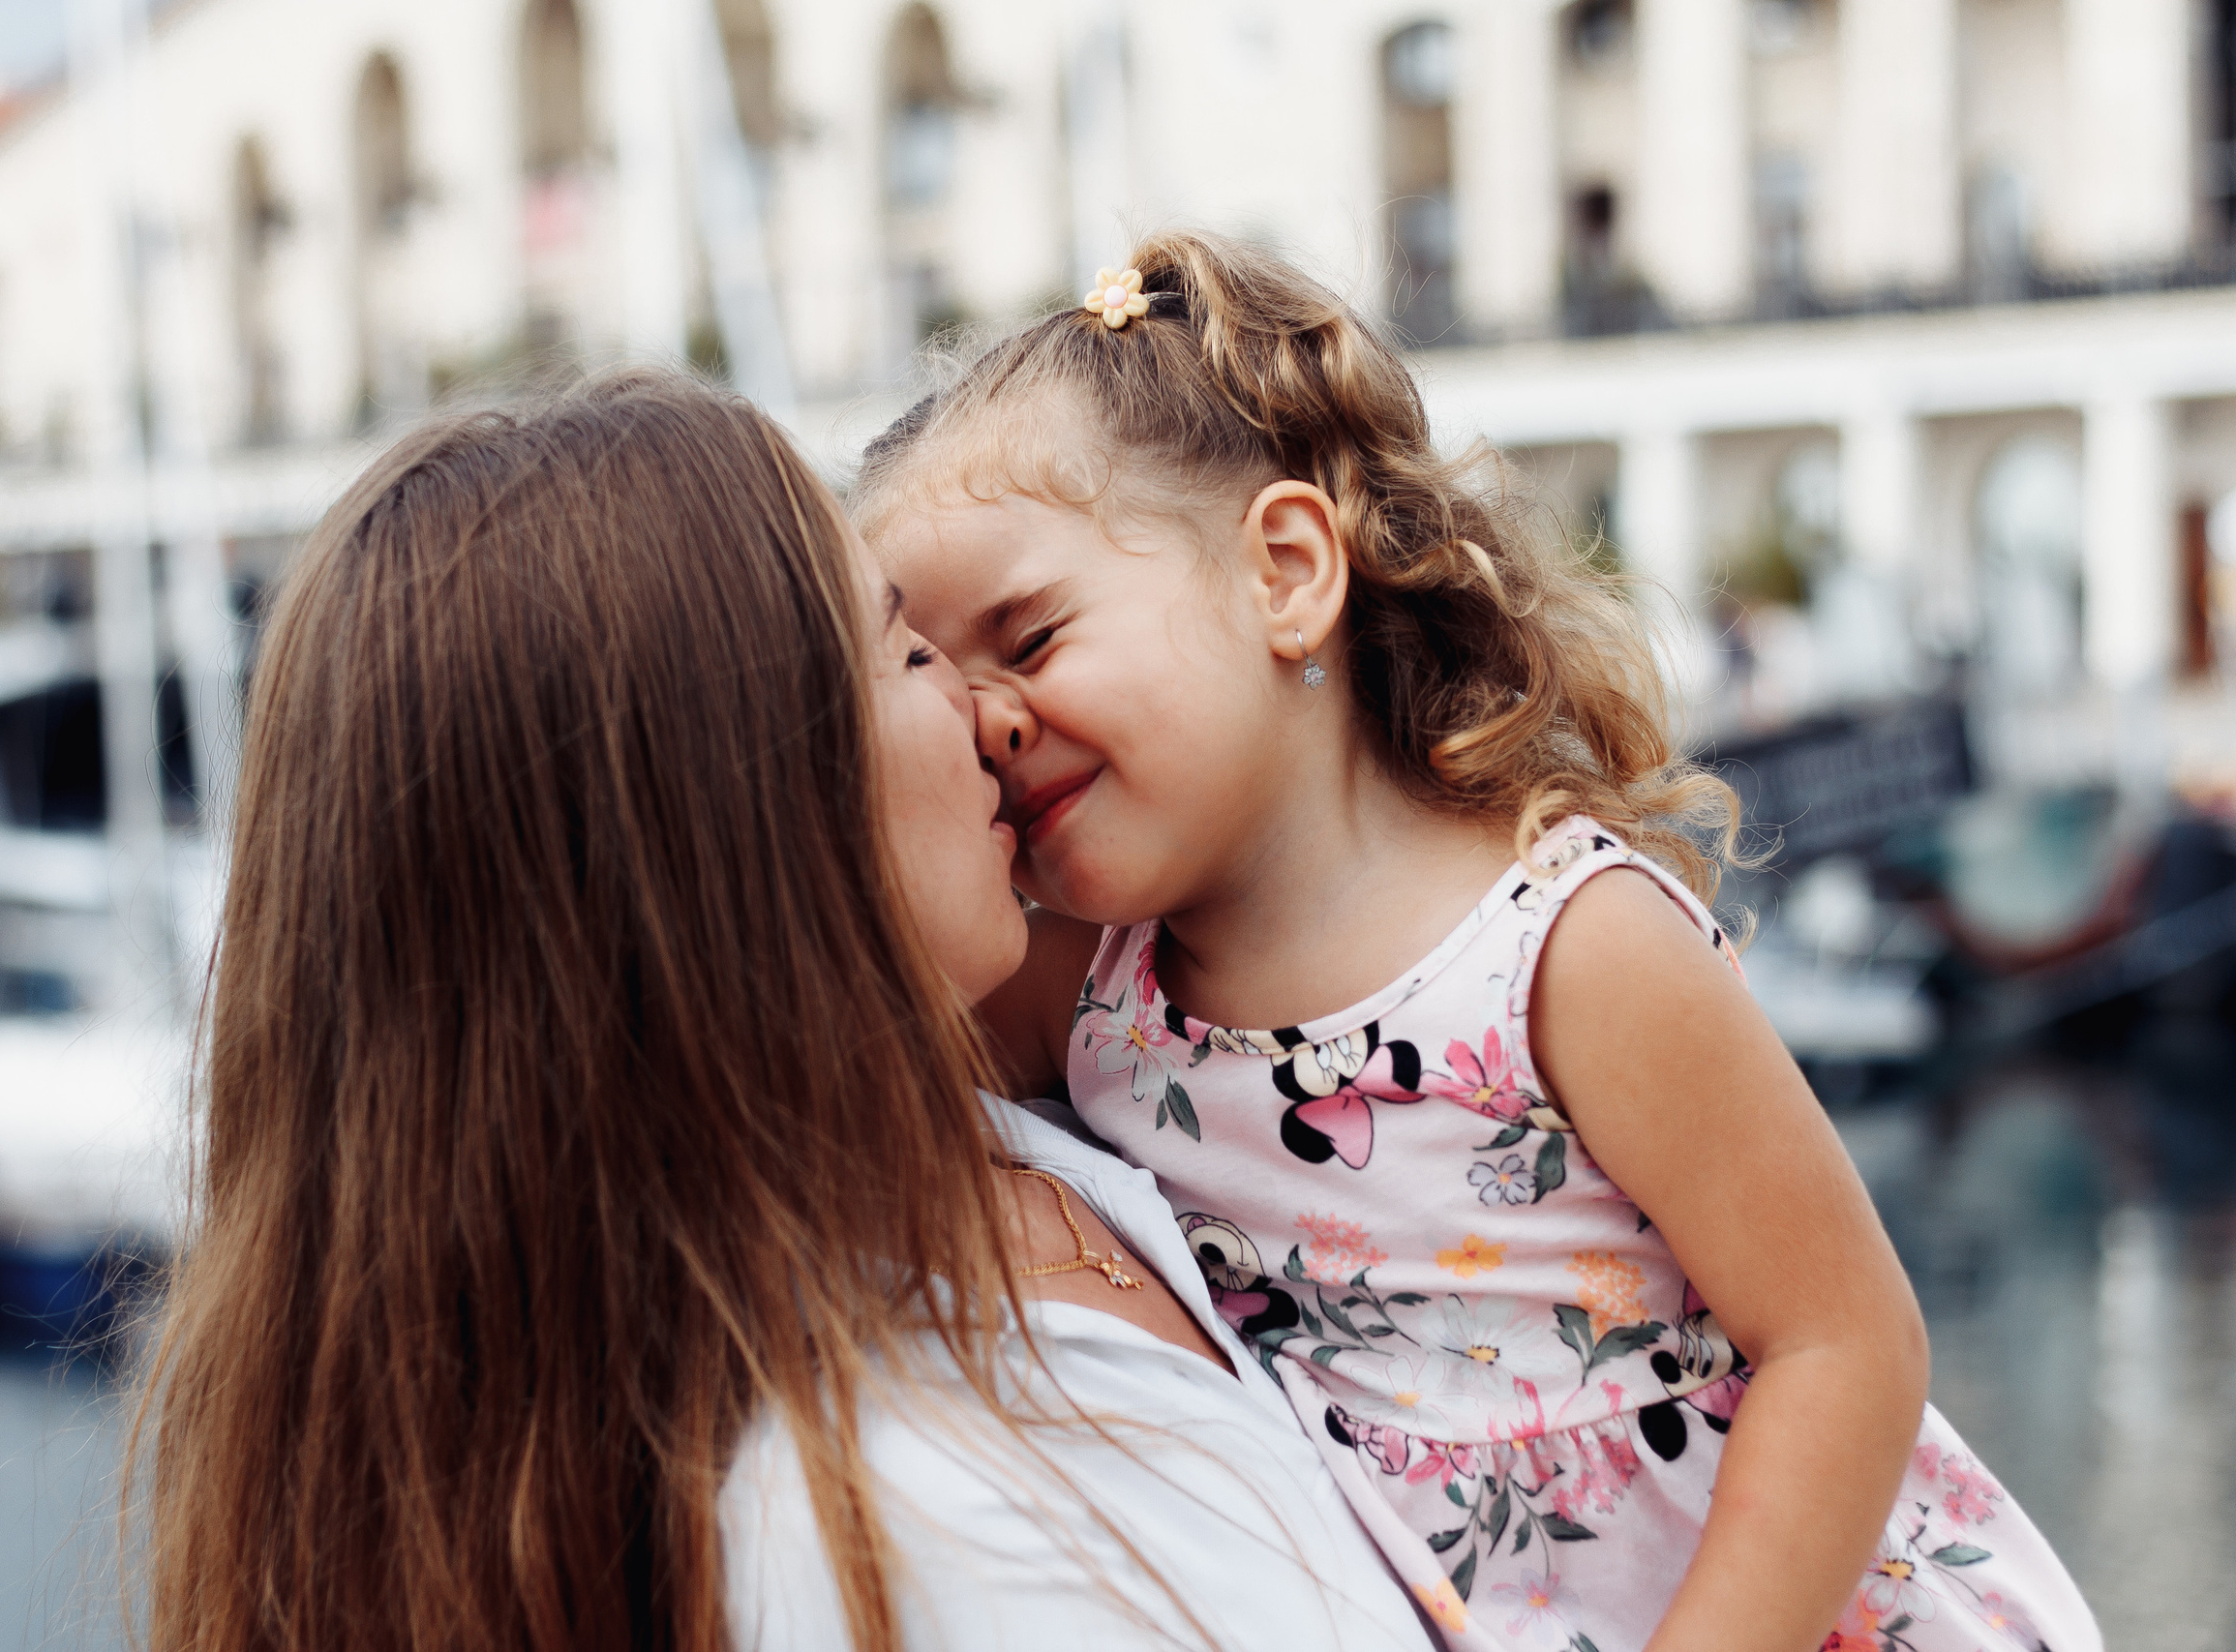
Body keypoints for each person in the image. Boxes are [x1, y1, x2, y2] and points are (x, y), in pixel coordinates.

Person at [856, 230, 2101, 1652]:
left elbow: (1844, 1346)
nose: (988, 720)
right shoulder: (1089, 987)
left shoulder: (1564, 948)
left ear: (1282, 570)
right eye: (941, 681)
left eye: (1033, 634)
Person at [130, 372, 1432, 1652]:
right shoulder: (889, 1525)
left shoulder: (1001, 1126)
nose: (983, 714)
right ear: (734, 810)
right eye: (909, 646)